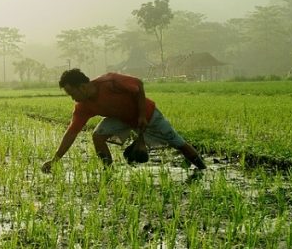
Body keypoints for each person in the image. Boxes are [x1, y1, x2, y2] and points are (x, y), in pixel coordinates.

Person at [41, 68, 206, 173]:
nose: (72, 98)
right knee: (97, 136)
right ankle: (109, 171)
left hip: (147, 114)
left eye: (72, 93)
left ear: (82, 87)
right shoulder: (83, 106)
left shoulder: (110, 82)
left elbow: (138, 86)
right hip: (122, 119)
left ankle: (203, 169)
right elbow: (72, 132)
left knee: (176, 141)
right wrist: (55, 160)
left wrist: (141, 115)